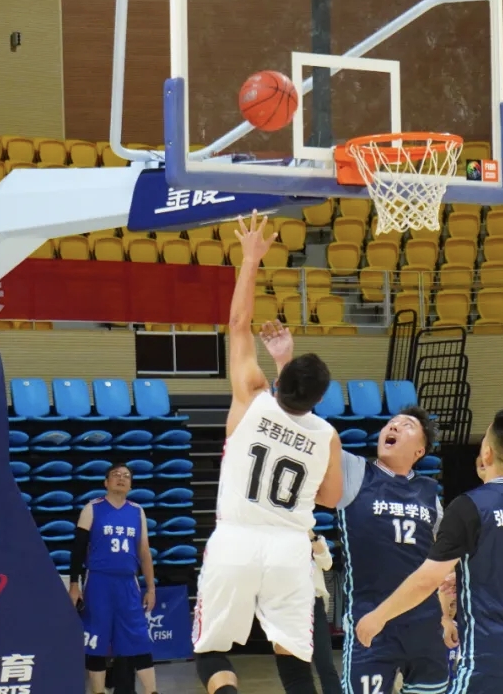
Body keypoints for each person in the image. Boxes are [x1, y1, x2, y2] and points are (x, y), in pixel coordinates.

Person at [192, 212, 344, 694]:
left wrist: (251, 259)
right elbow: (330, 498)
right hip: (288, 551)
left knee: (211, 649)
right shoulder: (327, 434)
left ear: (281, 379)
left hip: (236, 539)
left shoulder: (252, 398)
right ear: (320, 397)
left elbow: (238, 324)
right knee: (293, 658)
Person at [260, 319, 455, 694]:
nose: (393, 426)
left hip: (425, 628)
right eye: (391, 422)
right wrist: (284, 363)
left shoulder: (431, 494)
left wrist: (448, 615)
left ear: (420, 450)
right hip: (371, 626)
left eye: (406, 425)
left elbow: (444, 567)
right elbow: (302, 428)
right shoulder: (354, 472)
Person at [354, 409, 503, 694]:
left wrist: (378, 616)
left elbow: (427, 580)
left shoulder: (470, 506)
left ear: (487, 453)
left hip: (491, 658)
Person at [69, 463, 159, 694]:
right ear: (106, 482)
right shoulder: (92, 508)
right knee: (96, 641)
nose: (121, 478)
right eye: (116, 475)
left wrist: (151, 588)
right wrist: (74, 585)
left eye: (126, 476)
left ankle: (152, 691)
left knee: (138, 638)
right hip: (98, 582)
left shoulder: (137, 511)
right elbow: (78, 549)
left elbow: (144, 551)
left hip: (128, 583)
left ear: (131, 484)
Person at [310, 532, 341, 694]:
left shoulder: (315, 539)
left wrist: (311, 537)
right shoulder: (277, 535)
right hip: (286, 604)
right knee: (296, 667)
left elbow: (327, 563)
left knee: (325, 661)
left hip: (314, 602)